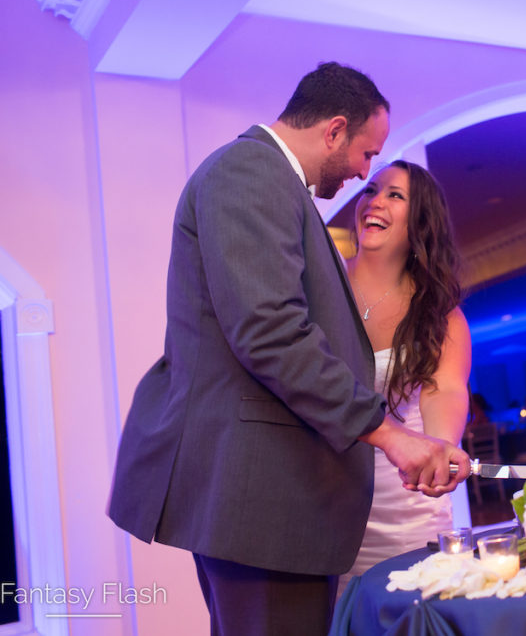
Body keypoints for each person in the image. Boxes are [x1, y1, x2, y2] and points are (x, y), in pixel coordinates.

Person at [107, 63, 470, 636]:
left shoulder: (273, 185)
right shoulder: (252, 171)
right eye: (366, 155)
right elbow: (270, 331)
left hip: (289, 500)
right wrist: (392, 435)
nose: (362, 173)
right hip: (262, 497)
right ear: (333, 130)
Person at [337, 161, 471, 593]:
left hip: (407, 511)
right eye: (371, 190)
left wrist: (439, 451)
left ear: (420, 222)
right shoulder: (321, 287)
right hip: (327, 505)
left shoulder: (440, 314)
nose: (374, 201)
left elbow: (444, 389)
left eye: (394, 195)